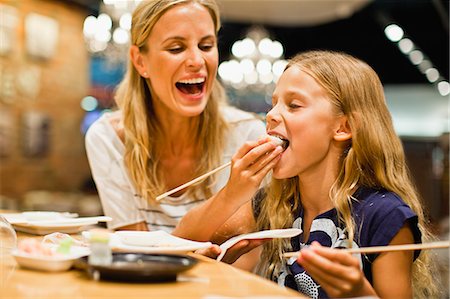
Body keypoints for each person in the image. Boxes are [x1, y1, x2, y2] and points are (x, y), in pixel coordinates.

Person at [174, 50, 440, 298]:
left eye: (293, 105)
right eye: (274, 103)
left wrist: (358, 293)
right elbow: (178, 243)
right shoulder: (275, 203)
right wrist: (232, 193)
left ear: (343, 127)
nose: (271, 115)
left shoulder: (385, 216)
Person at [84, 0, 271, 268]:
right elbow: (140, 260)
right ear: (140, 61)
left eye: (206, 46)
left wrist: (176, 249)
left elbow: (245, 252)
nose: (197, 61)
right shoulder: (109, 138)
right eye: (176, 48)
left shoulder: (248, 134)